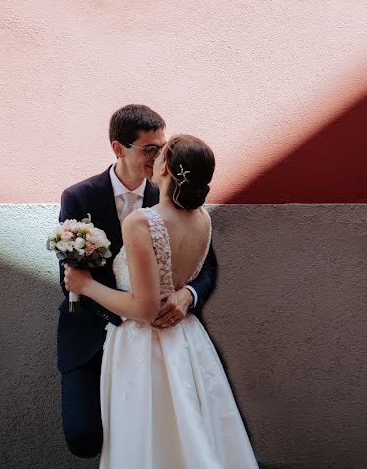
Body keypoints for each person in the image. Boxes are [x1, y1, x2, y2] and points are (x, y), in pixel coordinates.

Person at [64, 134, 258, 468]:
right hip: (187, 340)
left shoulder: (142, 221)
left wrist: (86, 285)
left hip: (141, 345)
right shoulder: (203, 219)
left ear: (165, 166)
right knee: (193, 429)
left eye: (161, 152)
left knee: (147, 438)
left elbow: (145, 309)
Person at [57, 105, 218, 459]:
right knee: (84, 437)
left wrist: (186, 297)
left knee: (162, 437)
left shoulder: (173, 195)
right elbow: (70, 278)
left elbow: (207, 269)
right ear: (119, 148)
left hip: (158, 333)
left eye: (161, 147)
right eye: (150, 149)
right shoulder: (79, 197)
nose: (159, 157)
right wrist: (126, 320)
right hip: (93, 332)